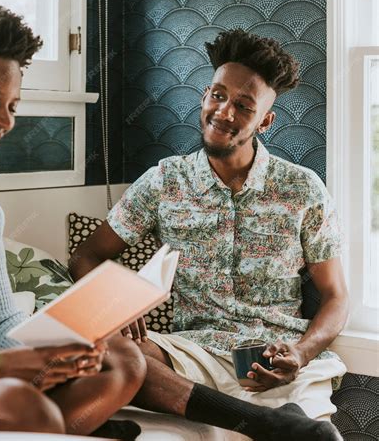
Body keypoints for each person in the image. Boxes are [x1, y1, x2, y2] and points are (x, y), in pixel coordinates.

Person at [70, 29, 348, 441]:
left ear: (265, 121)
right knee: (106, 352)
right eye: (217, 95)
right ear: (204, 96)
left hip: (275, 359)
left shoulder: (303, 189)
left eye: (243, 105)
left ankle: (258, 415)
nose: (224, 112)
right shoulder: (165, 180)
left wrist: (301, 352)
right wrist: (117, 306)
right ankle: (261, 423)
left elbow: (336, 296)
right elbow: (86, 257)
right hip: (189, 354)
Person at [0, 5, 146, 438]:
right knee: (23, 409)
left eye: (13, 105)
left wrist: (60, 351)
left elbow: (1, 323)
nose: (6, 121)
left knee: (122, 361)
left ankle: (51, 426)